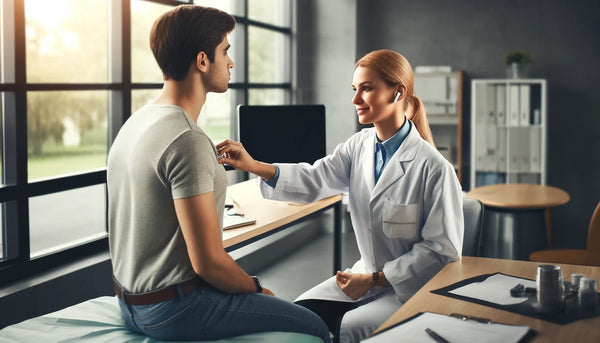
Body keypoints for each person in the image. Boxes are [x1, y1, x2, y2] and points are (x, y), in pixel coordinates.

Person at [106, 5, 330, 342]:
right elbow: (208, 263)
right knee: (315, 326)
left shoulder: (137, 122)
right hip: (174, 310)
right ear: (201, 61)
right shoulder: (187, 138)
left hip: (130, 303)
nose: (230, 62)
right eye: (225, 50)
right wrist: (257, 289)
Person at [216, 49, 464, 343]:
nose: (355, 100)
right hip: (365, 276)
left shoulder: (434, 168)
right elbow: (314, 178)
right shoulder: (358, 146)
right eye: (354, 89)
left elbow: (441, 253)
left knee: (349, 328)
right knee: (301, 316)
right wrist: (254, 165)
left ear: (398, 93)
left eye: (366, 88)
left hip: (409, 288)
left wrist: (373, 280)